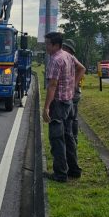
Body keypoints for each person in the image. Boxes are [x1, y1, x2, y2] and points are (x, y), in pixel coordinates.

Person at [42, 32, 85, 182]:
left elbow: (52, 85)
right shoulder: (68, 56)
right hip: (69, 102)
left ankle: (60, 174)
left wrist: (46, 107)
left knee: (57, 139)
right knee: (68, 137)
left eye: (47, 43)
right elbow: (82, 68)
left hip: (59, 104)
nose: (46, 46)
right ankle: (74, 170)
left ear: (55, 45)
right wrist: (73, 85)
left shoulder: (55, 60)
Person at [62, 38, 85, 145]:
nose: (62, 49)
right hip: (71, 92)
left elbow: (82, 69)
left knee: (71, 117)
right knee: (71, 117)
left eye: (64, 47)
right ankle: (71, 138)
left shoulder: (71, 58)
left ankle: (72, 139)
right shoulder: (67, 58)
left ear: (68, 49)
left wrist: (74, 84)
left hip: (73, 93)